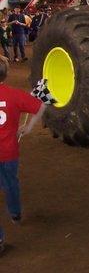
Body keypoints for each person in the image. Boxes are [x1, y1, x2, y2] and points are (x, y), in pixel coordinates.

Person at [0, 55, 47, 254]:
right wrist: (28, 127)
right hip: (9, 152)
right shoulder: (14, 95)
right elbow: (41, 105)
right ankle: (15, 213)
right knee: (11, 184)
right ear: (6, 74)